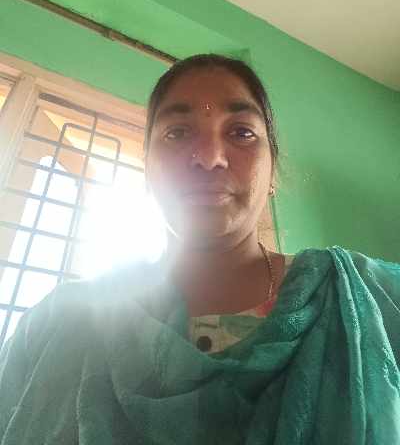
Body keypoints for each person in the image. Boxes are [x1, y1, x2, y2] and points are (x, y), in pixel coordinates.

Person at [0, 54, 399, 444]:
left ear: (272, 171)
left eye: (241, 132)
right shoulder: (57, 323)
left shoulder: (373, 299)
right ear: (147, 166)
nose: (209, 159)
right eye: (177, 133)